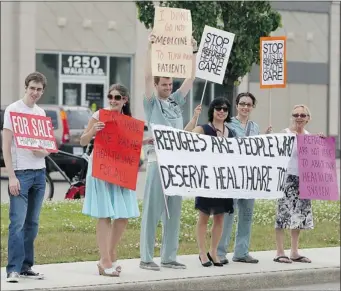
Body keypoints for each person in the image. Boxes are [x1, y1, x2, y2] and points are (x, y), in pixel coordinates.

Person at [139, 32, 198, 271]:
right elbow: (145, 75)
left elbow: (190, 80)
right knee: (153, 210)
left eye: (169, 84)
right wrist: (150, 47)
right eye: (163, 84)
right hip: (158, 161)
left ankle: (169, 256)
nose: (167, 87)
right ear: (156, 85)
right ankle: (146, 257)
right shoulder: (151, 103)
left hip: (177, 163)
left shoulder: (175, 102)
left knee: (174, 212)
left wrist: (193, 53)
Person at [80, 84, 140, 277]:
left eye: (117, 97)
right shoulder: (99, 115)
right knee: (104, 214)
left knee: (123, 216)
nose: (113, 100)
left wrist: (143, 141)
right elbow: (82, 140)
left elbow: (130, 146)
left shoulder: (128, 121)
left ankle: (111, 251)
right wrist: (92, 132)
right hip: (101, 167)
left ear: (125, 100)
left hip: (120, 170)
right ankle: (104, 259)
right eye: (110, 97)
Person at [3, 72, 49, 283]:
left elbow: (47, 146)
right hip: (20, 174)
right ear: (26, 87)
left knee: (33, 223)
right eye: (32, 88)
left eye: (39, 89)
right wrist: (11, 176)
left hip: (40, 173)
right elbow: (6, 146)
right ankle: (13, 268)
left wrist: (44, 152)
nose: (35, 93)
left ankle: (26, 266)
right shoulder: (13, 110)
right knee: (17, 223)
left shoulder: (41, 113)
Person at [217, 92, 272, 264]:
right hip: (232, 176)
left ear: (252, 107)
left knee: (246, 215)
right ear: (237, 105)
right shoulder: (228, 124)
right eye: (242, 103)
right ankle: (220, 252)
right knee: (227, 215)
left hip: (250, 177)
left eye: (249, 104)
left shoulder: (254, 126)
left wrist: (265, 137)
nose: (245, 107)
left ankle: (241, 252)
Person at [274, 104, 323, 264]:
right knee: (283, 214)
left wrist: (321, 143)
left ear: (308, 118)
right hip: (287, 178)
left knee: (299, 216)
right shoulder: (285, 134)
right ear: (292, 117)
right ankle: (280, 252)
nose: (299, 118)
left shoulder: (310, 136)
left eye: (302, 115)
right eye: (296, 115)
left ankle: (294, 251)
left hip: (304, 179)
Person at [191, 97, 235, 267]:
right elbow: (185, 138)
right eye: (218, 108)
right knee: (204, 216)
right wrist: (194, 118)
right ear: (213, 110)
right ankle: (202, 252)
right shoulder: (203, 129)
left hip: (224, 180)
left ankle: (213, 251)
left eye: (225, 109)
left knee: (219, 218)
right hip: (207, 179)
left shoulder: (230, 133)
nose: (222, 111)